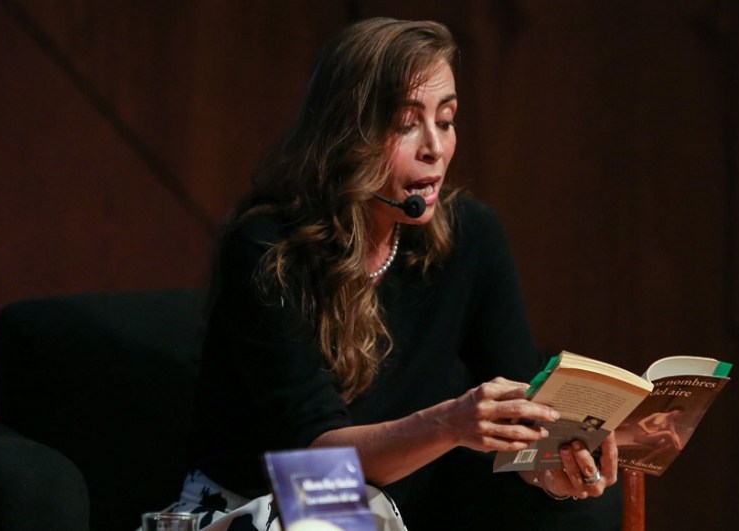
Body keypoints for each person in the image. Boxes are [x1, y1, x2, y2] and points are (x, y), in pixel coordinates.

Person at [174, 17, 622, 531]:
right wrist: (449, 423)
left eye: (447, 120)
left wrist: (548, 470)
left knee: (579, 511)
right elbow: (313, 463)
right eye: (407, 124)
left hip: (396, 502)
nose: (434, 146)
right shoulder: (268, 245)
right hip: (265, 501)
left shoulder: (472, 234)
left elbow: (518, 408)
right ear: (348, 134)